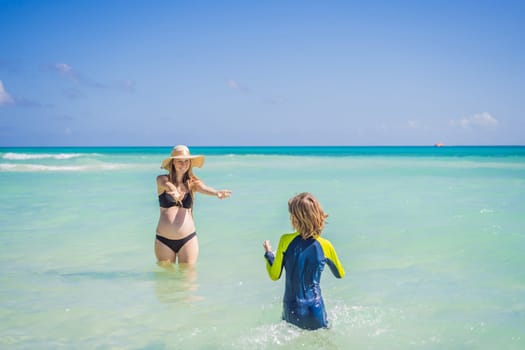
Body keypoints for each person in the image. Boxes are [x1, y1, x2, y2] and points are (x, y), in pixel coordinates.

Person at [263, 192, 345, 330]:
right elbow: (340, 274)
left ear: (295, 219)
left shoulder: (285, 240)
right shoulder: (326, 245)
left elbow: (274, 275)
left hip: (291, 309)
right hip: (315, 309)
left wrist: (269, 255)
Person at [155, 145, 231, 266]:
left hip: (187, 239)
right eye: (179, 160)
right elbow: (166, 184)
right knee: (165, 279)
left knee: (188, 280)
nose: (183, 164)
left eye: (186, 161)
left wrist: (216, 193)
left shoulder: (192, 183)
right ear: (173, 162)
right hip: (164, 240)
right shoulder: (162, 179)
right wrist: (174, 190)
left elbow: (204, 188)